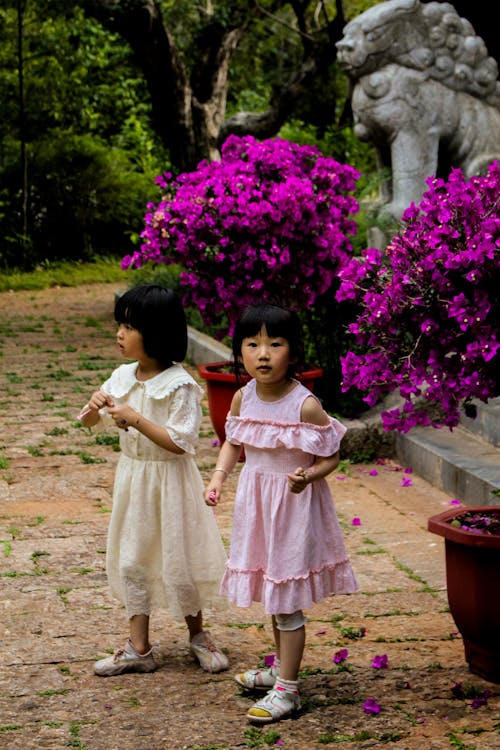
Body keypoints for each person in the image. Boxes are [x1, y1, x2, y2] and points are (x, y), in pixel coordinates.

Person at [205, 302, 358, 723]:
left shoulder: (304, 405)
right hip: (257, 509)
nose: (264, 353)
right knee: (272, 593)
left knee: (287, 599)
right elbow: (234, 443)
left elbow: (331, 456)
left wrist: (307, 475)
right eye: (252, 344)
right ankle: (279, 668)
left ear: (293, 351)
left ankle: (287, 690)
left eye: (275, 343)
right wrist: (218, 478)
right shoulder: (242, 397)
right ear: (239, 353)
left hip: (292, 510)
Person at [79, 284, 228, 677]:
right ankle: (139, 647)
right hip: (134, 481)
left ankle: (198, 634)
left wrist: (136, 419)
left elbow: (180, 442)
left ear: (157, 332)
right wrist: (94, 408)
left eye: (129, 327)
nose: (119, 334)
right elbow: (90, 421)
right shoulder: (121, 375)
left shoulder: (179, 385)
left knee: (181, 558)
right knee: (133, 557)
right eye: (120, 325)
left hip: (170, 483)